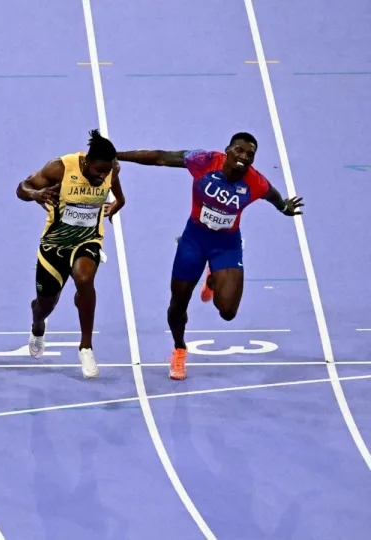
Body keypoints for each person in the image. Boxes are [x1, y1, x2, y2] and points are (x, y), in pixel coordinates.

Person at [115, 132, 303, 380]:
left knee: (227, 312)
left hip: (226, 245)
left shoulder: (255, 182)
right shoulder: (203, 161)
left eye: (250, 154)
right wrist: (116, 155)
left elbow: (272, 195)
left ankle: (213, 277)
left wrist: (283, 207)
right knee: (177, 305)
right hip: (194, 240)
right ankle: (179, 348)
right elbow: (161, 157)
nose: (244, 157)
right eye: (239, 150)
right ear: (227, 150)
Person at [15, 129, 124, 378]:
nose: (102, 177)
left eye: (106, 172)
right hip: (54, 245)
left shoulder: (111, 171)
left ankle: (85, 346)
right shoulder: (60, 168)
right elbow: (22, 188)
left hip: (88, 240)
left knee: (84, 279)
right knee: (45, 305)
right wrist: (36, 194)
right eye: (98, 171)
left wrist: (114, 206)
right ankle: (38, 323)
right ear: (86, 161)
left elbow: (120, 198)